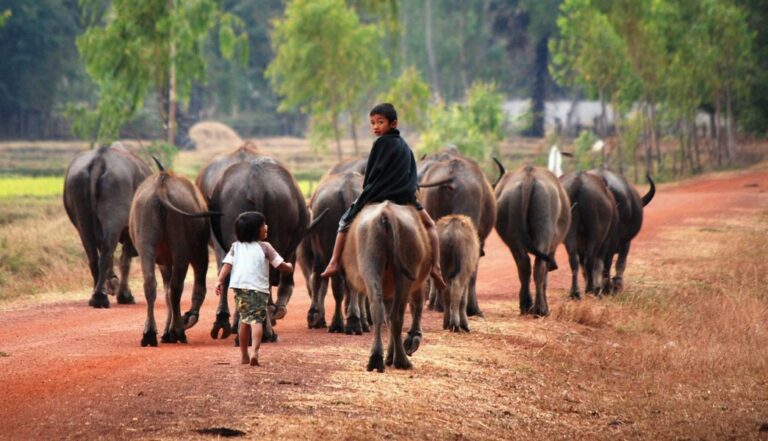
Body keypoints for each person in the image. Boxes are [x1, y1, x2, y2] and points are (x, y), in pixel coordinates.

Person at [320, 103, 447, 290]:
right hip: (405, 198)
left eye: (380, 122)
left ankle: (334, 262)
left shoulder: (379, 144)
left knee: (344, 222)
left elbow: (371, 174)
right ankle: (435, 267)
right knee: (430, 225)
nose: (375, 127)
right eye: (372, 123)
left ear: (393, 123)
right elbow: (411, 175)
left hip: (377, 195)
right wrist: (408, 193)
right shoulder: (405, 147)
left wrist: (368, 192)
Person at [215, 211, 293, 366]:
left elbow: (227, 265)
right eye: (263, 225)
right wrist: (289, 267)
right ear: (256, 230)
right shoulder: (265, 247)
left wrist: (219, 280)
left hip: (239, 289)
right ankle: (255, 352)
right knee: (256, 321)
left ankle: (244, 355)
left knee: (243, 320)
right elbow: (279, 265)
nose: (266, 227)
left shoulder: (235, 247)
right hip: (258, 290)